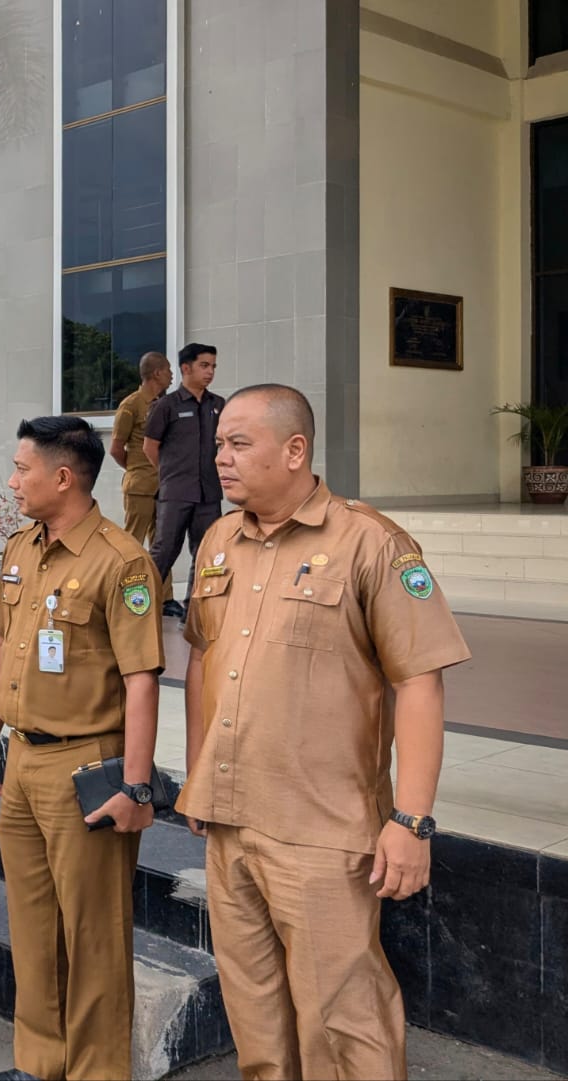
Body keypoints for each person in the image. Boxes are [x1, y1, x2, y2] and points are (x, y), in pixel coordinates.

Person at [177, 385, 471, 1080]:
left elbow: (420, 681)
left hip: (322, 829)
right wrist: (196, 775)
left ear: (295, 450)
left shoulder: (370, 542)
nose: (221, 458)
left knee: (342, 1021)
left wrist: (412, 820)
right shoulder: (219, 539)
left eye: (239, 443)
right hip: (230, 817)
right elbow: (202, 660)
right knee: (255, 1013)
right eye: (219, 444)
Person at [0, 416, 164, 1081]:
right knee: (31, 923)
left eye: (21, 469)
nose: (12, 481)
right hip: (22, 758)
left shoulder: (121, 560)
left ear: (61, 477)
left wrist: (136, 786)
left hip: (86, 765)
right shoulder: (22, 547)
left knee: (93, 935)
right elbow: (3, 644)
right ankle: (40, 1062)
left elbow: (141, 679)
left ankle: (96, 1071)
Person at [143, 343, 224, 620]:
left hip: (209, 493)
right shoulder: (166, 406)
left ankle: (194, 612)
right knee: (164, 551)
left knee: (206, 553)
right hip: (176, 492)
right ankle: (138, 608)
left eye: (213, 366)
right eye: (204, 365)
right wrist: (170, 474)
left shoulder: (218, 405)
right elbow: (150, 447)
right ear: (186, 368)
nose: (210, 372)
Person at [110, 351, 173, 547]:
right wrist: (137, 469)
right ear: (157, 373)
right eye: (168, 370)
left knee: (161, 544)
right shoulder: (131, 405)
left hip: (162, 485)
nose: (172, 375)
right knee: (132, 542)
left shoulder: (164, 405)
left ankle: (157, 571)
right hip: (140, 487)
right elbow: (116, 449)